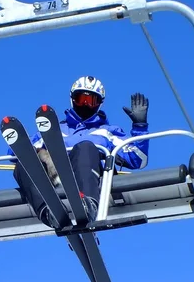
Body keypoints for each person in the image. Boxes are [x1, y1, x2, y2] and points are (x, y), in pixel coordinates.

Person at [10, 75, 150, 229]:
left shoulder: (106, 132)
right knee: (24, 164)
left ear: (99, 104)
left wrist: (140, 126)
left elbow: (137, 159)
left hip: (89, 176)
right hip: (54, 177)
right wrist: (28, 146)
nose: (85, 104)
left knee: (86, 147)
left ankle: (88, 204)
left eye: (91, 101)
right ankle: (49, 212)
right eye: (80, 99)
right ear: (72, 99)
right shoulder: (54, 131)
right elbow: (16, 152)